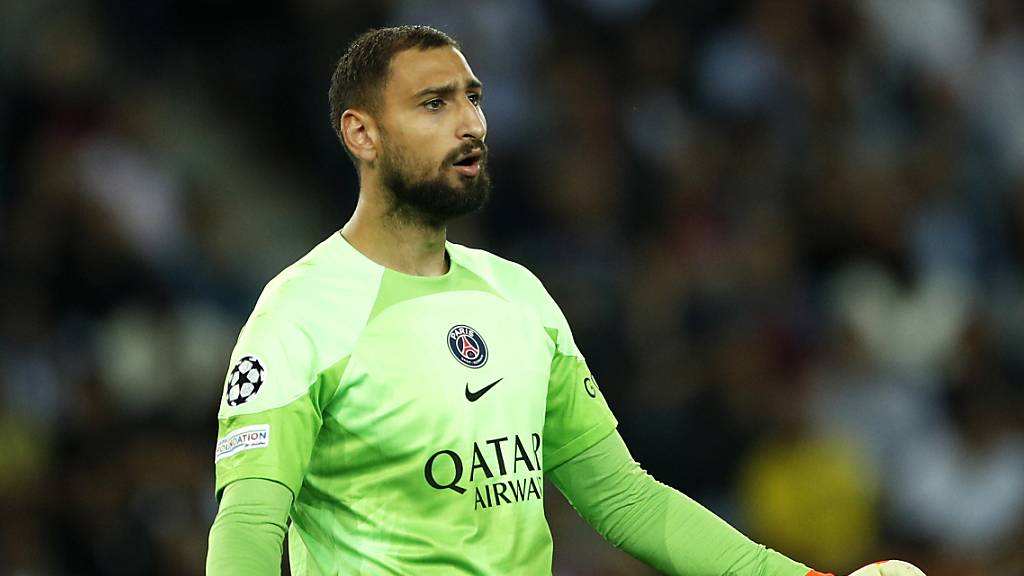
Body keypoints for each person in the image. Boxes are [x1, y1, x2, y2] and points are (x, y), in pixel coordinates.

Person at [205, 25, 926, 576]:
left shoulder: (517, 295)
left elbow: (625, 500)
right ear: (361, 133)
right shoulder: (300, 312)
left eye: (473, 99)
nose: (470, 124)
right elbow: (248, 527)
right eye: (434, 104)